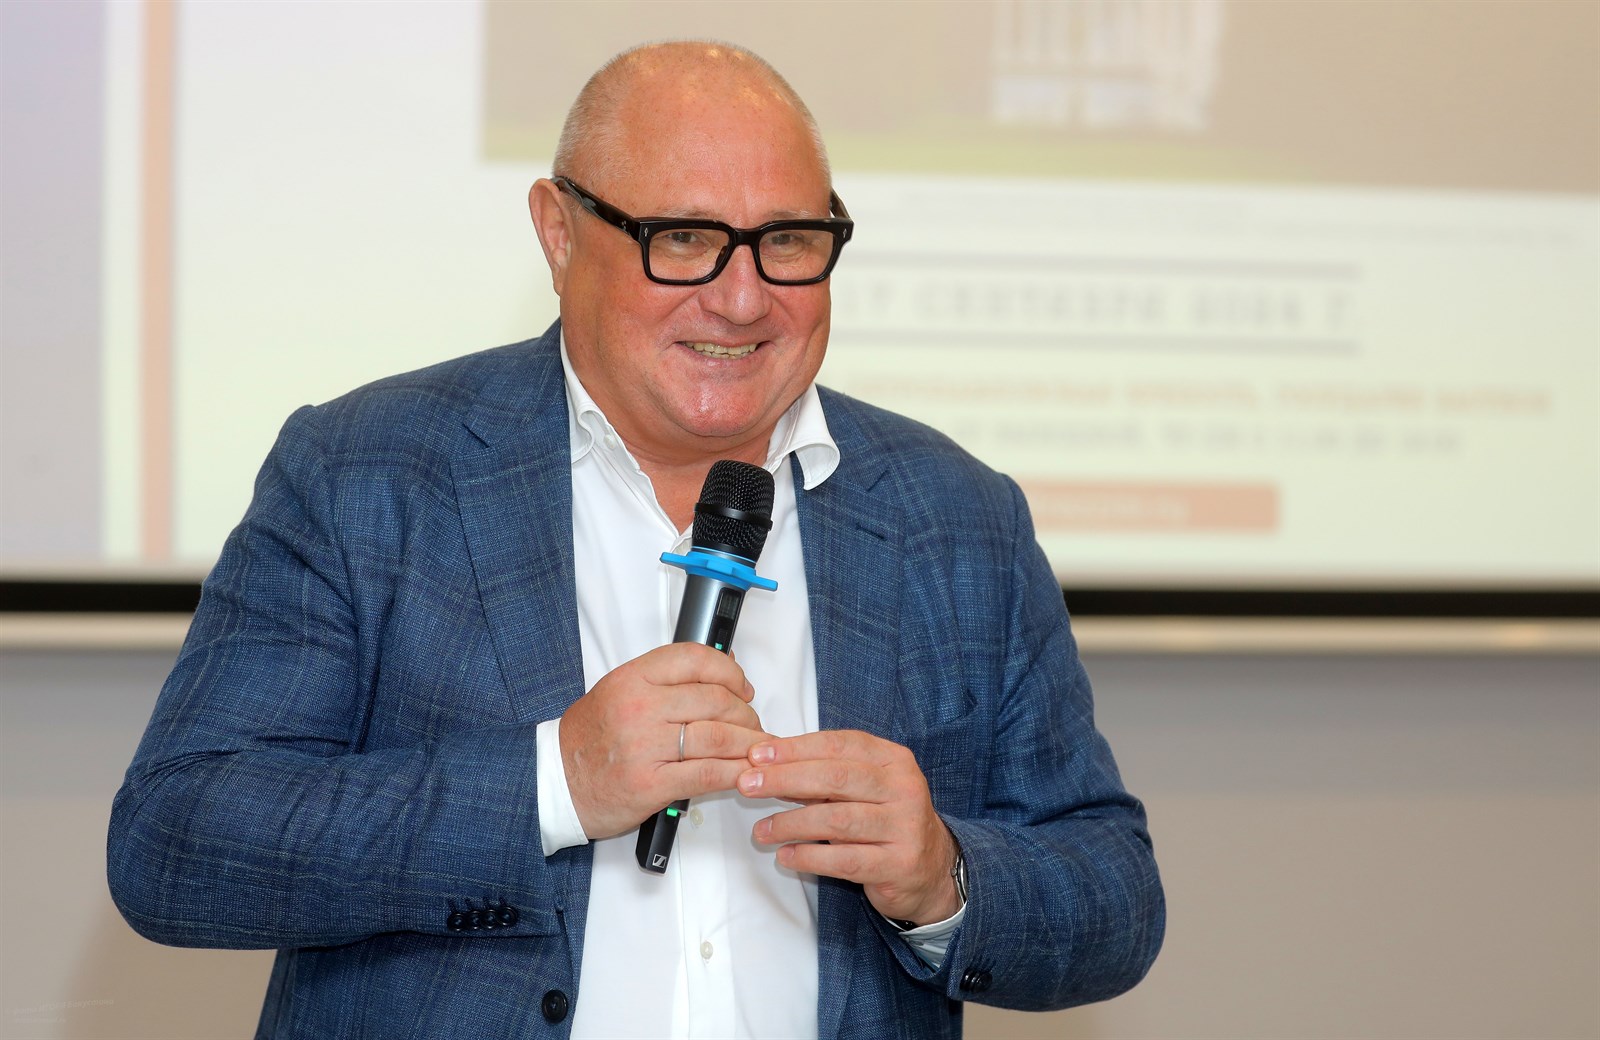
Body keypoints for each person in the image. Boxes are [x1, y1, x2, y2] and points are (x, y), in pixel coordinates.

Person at [108, 40, 1163, 1039]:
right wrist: (555, 782)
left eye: (789, 241)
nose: (743, 298)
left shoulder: (955, 515)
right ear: (559, 234)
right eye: (685, 238)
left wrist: (944, 875)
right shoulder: (365, 472)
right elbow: (177, 841)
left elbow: (1112, 891)